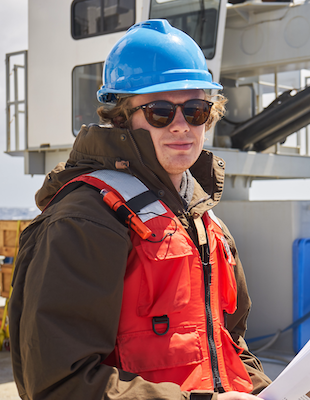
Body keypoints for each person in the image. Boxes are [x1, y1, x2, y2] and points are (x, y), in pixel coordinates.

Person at [9, 19, 272, 400]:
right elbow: (57, 383)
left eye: (196, 110)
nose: (181, 126)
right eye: (160, 112)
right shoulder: (85, 221)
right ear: (122, 119)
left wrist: (275, 391)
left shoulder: (202, 219)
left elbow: (228, 346)